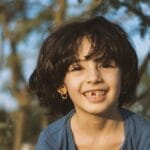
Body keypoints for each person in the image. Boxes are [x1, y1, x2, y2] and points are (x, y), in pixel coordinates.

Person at [29, 16, 150, 150]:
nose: (94, 78)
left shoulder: (145, 137)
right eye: (77, 68)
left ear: (123, 75)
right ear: (60, 85)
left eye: (106, 65)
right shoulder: (51, 141)